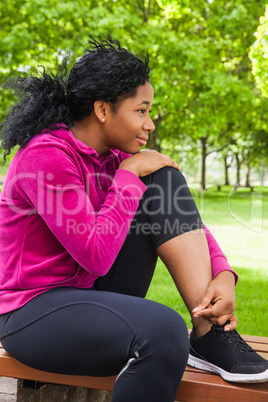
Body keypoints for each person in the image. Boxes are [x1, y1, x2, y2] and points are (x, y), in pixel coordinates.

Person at [0, 37, 267, 402]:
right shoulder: (46, 156)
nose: (150, 124)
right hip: (31, 311)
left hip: (90, 292)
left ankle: (210, 332)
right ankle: (194, 335)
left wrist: (222, 273)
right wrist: (127, 176)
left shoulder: (111, 156)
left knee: (163, 177)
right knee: (163, 332)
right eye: (141, 110)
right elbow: (94, 253)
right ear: (103, 110)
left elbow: (182, 222)